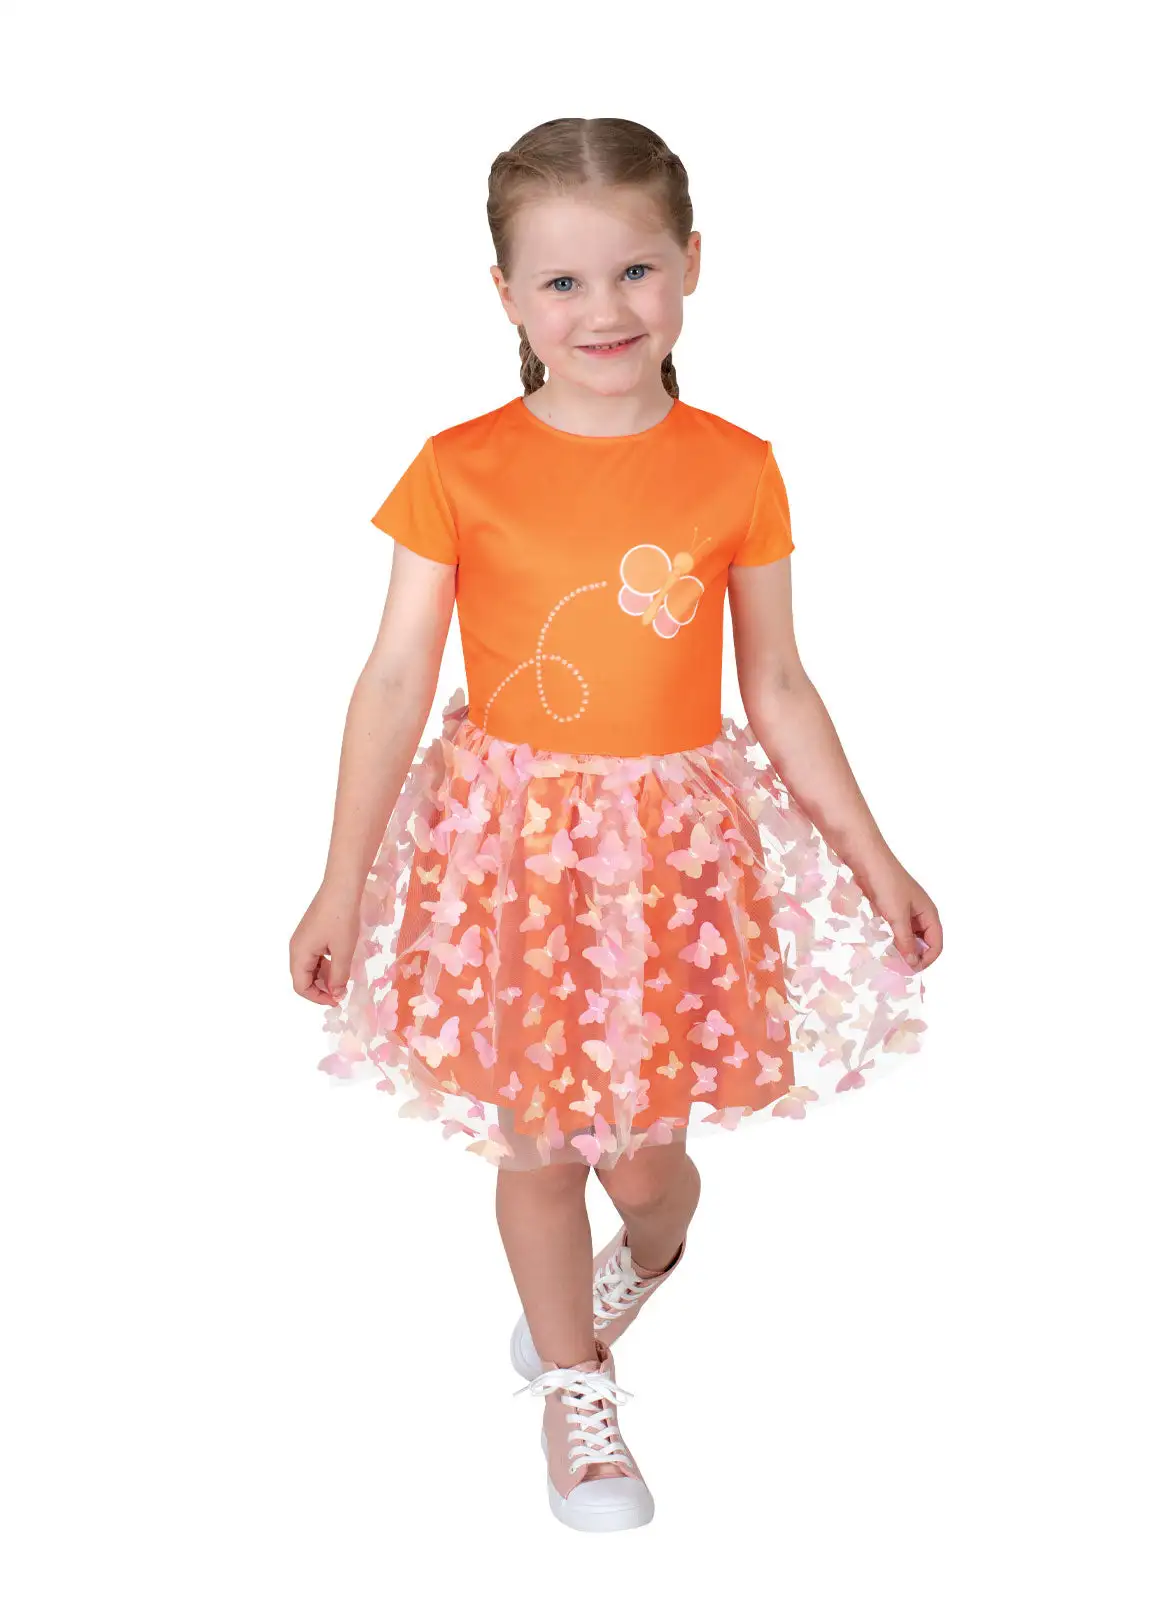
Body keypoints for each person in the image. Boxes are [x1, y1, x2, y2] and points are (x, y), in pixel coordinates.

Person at [290, 116, 943, 1534]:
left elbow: (777, 683)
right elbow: (395, 678)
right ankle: (576, 1394)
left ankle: (654, 1244)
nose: (605, 309)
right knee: (536, 1145)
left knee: (641, 1161)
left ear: (692, 264)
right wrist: (340, 882)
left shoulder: (736, 466)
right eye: (564, 282)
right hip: (509, 863)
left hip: (669, 869)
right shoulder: (458, 465)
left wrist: (876, 858)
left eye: (636, 270)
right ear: (508, 296)